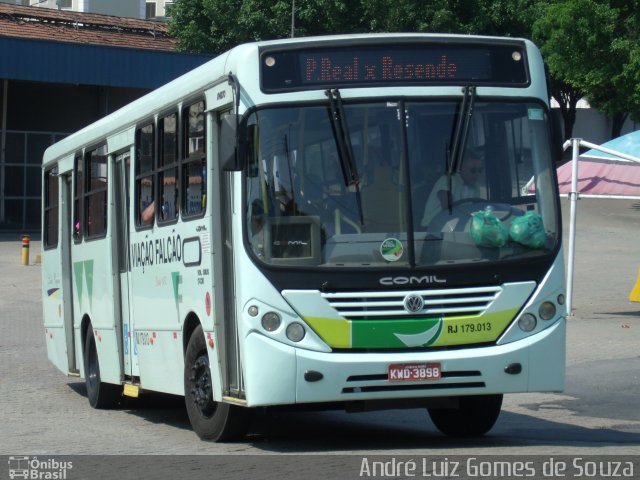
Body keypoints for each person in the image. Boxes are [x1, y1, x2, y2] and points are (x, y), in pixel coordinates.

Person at [420, 154, 484, 227]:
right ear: (461, 168)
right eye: (473, 170)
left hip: (456, 228)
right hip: (431, 230)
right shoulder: (448, 179)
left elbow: (474, 210)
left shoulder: (475, 186)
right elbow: (448, 210)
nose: (477, 174)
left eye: (480, 170)